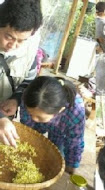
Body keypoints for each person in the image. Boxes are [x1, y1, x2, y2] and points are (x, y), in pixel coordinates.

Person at [18, 76, 85, 174]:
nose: (33, 118)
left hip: (62, 130)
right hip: (47, 120)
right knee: (31, 146)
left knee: (56, 154)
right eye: (31, 113)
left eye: (40, 117)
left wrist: (71, 168)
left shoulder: (75, 112)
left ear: (59, 111)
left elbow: (74, 144)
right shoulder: (29, 97)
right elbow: (28, 126)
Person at [0, 0, 42, 147]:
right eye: (9, 37)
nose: (13, 46)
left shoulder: (29, 53)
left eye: (21, 40)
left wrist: (16, 99)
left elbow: (27, 82)